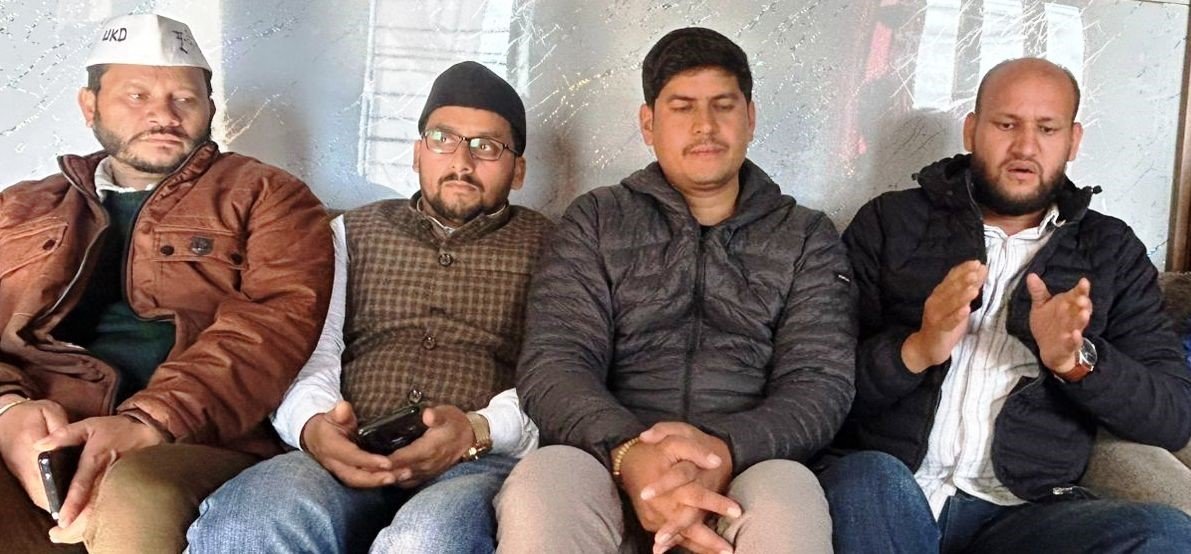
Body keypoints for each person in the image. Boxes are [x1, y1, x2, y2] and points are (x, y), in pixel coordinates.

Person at [495, 27, 855, 554]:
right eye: (682, 107)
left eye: (723, 106)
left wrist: (724, 453)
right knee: (544, 482)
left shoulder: (805, 236)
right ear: (649, 124)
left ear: (750, 118)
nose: (705, 125)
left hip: (749, 465)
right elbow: (555, 362)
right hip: (605, 458)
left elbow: (819, 383)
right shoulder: (596, 220)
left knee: (790, 497)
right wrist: (630, 454)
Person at [819, 57, 1191, 553]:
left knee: (1166, 534)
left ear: (1073, 140)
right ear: (972, 130)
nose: (1025, 147)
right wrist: (917, 349)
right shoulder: (890, 222)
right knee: (866, 477)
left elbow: (1172, 416)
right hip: (891, 492)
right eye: (1006, 124)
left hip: (1025, 513)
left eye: (1047, 128)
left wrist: (1076, 362)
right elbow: (820, 385)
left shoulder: (1111, 250)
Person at [186, 61, 552, 553]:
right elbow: (311, 347)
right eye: (443, 139)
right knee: (250, 522)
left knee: (426, 540)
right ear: (418, 153)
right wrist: (314, 426)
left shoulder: (555, 247)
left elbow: (556, 373)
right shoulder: (349, 233)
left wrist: (475, 431)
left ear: (519, 170)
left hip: (475, 463)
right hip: (347, 450)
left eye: (487, 146)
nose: (462, 162)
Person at [0, 13, 333, 553]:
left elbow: (273, 327)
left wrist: (148, 423)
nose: (163, 115)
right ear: (89, 106)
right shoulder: (19, 207)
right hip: (42, 432)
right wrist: (7, 410)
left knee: (136, 491)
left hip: (191, 438)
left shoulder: (268, 196)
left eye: (184, 98)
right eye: (136, 96)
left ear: (210, 109)